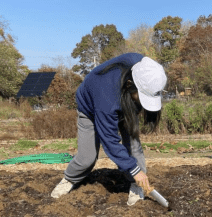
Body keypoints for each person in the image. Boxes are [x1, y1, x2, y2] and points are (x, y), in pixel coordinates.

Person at [51, 53, 167, 205]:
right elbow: (110, 142)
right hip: (91, 109)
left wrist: (137, 172)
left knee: (133, 144)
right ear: (129, 84)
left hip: (123, 99)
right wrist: (135, 170)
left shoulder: (146, 69)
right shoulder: (106, 98)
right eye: (142, 97)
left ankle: (137, 184)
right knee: (87, 158)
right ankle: (69, 179)